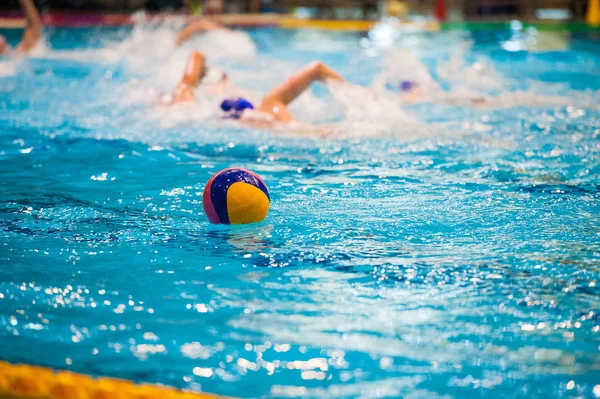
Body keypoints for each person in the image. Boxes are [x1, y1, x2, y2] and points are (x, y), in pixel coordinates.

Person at [169, 50, 346, 125]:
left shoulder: (191, 98)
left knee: (312, 132)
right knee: (316, 69)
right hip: (260, 114)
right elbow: (196, 55)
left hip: (256, 116)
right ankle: (367, 99)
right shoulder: (187, 95)